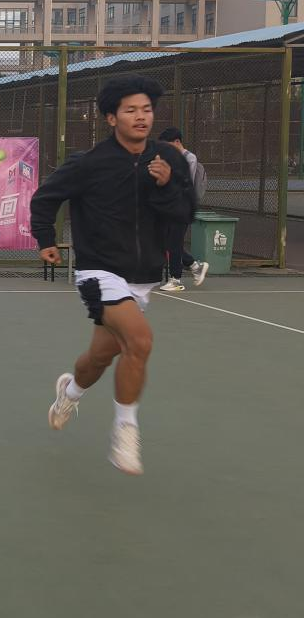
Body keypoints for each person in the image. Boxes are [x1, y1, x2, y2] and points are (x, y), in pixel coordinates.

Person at [31, 75, 195, 475]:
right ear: (110, 117)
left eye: (147, 109)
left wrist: (165, 186)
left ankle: (70, 392)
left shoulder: (168, 160)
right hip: (97, 269)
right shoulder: (89, 163)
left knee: (101, 357)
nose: (141, 117)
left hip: (143, 275)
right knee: (140, 341)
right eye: (130, 110)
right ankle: (125, 429)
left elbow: (184, 214)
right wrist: (46, 238)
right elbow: (45, 198)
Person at [157, 126, 209, 292]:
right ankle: (195, 266)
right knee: (167, 241)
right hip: (170, 206)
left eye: (167, 145)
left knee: (174, 241)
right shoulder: (170, 158)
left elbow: (185, 182)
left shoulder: (189, 158)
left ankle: (176, 280)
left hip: (183, 206)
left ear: (177, 142)